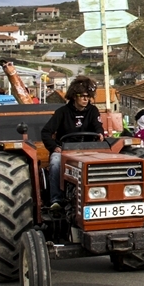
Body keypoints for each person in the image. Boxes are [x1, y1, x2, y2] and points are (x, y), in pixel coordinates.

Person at [41, 76, 104, 210]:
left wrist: (100, 133)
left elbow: (98, 126)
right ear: (75, 96)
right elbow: (46, 132)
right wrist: (54, 147)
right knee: (55, 162)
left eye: (88, 96)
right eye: (83, 96)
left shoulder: (93, 111)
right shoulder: (62, 112)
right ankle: (56, 199)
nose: (86, 99)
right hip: (65, 150)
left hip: (88, 149)